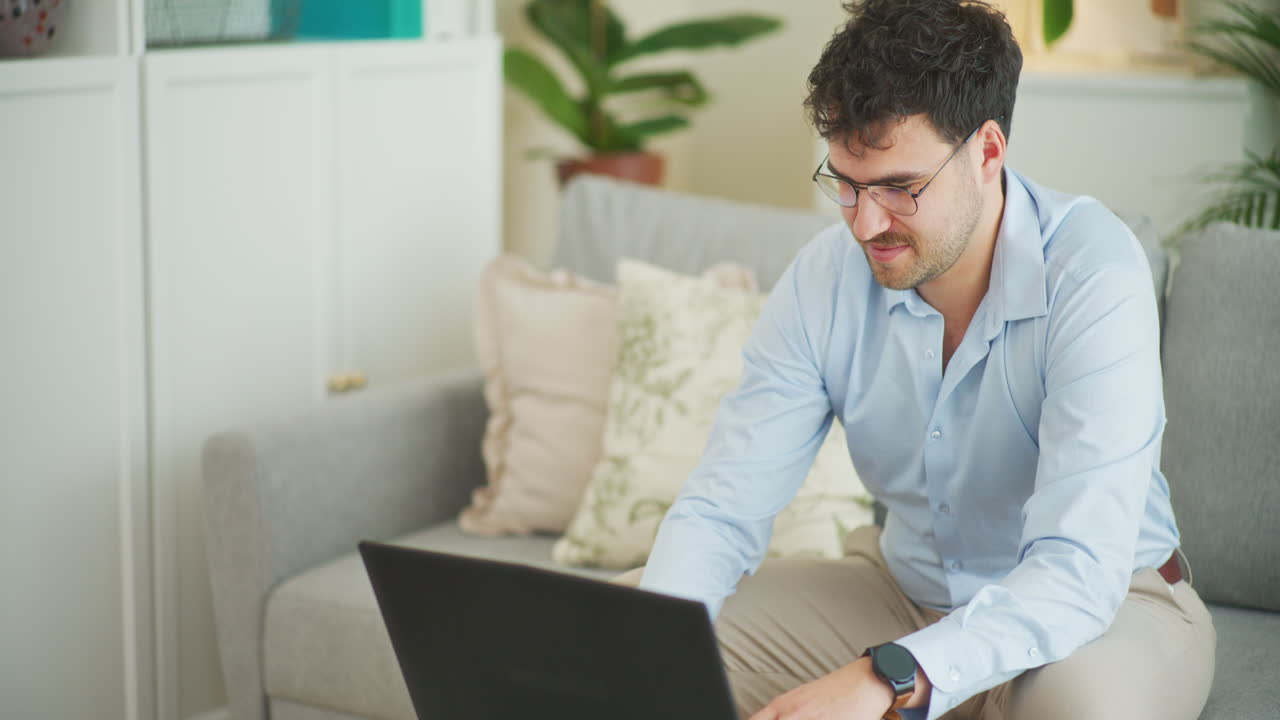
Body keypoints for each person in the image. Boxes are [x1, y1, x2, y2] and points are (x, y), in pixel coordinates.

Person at [612, 1, 1217, 719]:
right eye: (846, 183)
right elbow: (722, 508)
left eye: (900, 188)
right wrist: (649, 657)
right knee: (615, 633)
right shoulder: (823, 280)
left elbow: (1078, 567)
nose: (866, 223)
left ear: (987, 152)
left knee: (1085, 711)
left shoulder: (1094, 273)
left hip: (1107, 610)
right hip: (902, 596)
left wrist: (888, 677)